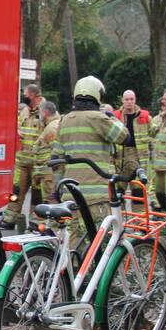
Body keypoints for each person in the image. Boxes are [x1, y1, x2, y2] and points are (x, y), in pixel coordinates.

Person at [53, 76, 127, 239]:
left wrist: (57, 189)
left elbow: (56, 158)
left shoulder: (64, 120)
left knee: (72, 241)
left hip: (70, 192)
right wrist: (113, 116)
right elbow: (123, 136)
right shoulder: (98, 118)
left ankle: (69, 264)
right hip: (96, 195)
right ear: (97, 95)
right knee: (100, 242)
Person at [1, 83, 44, 229]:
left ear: (34, 95)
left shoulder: (47, 111)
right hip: (21, 160)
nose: (23, 96)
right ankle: (9, 219)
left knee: (38, 195)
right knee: (16, 190)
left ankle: (36, 222)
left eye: (25, 94)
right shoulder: (24, 111)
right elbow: (17, 129)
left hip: (38, 162)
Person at [115, 89, 152, 199]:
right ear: (122, 100)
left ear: (135, 100)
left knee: (138, 190)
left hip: (138, 156)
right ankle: (120, 215)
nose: (129, 102)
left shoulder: (145, 116)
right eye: (127, 99)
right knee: (119, 191)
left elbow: (154, 132)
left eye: (131, 99)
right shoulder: (115, 117)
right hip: (120, 157)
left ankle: (138, 215)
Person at [32, 100, 61, 211]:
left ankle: (52, 226)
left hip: (49, 174)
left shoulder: (51, 127)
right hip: (46, 174)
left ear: (44, 113)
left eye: (40, 112)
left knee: (51, 201)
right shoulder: (50, 125)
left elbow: (57, 151)